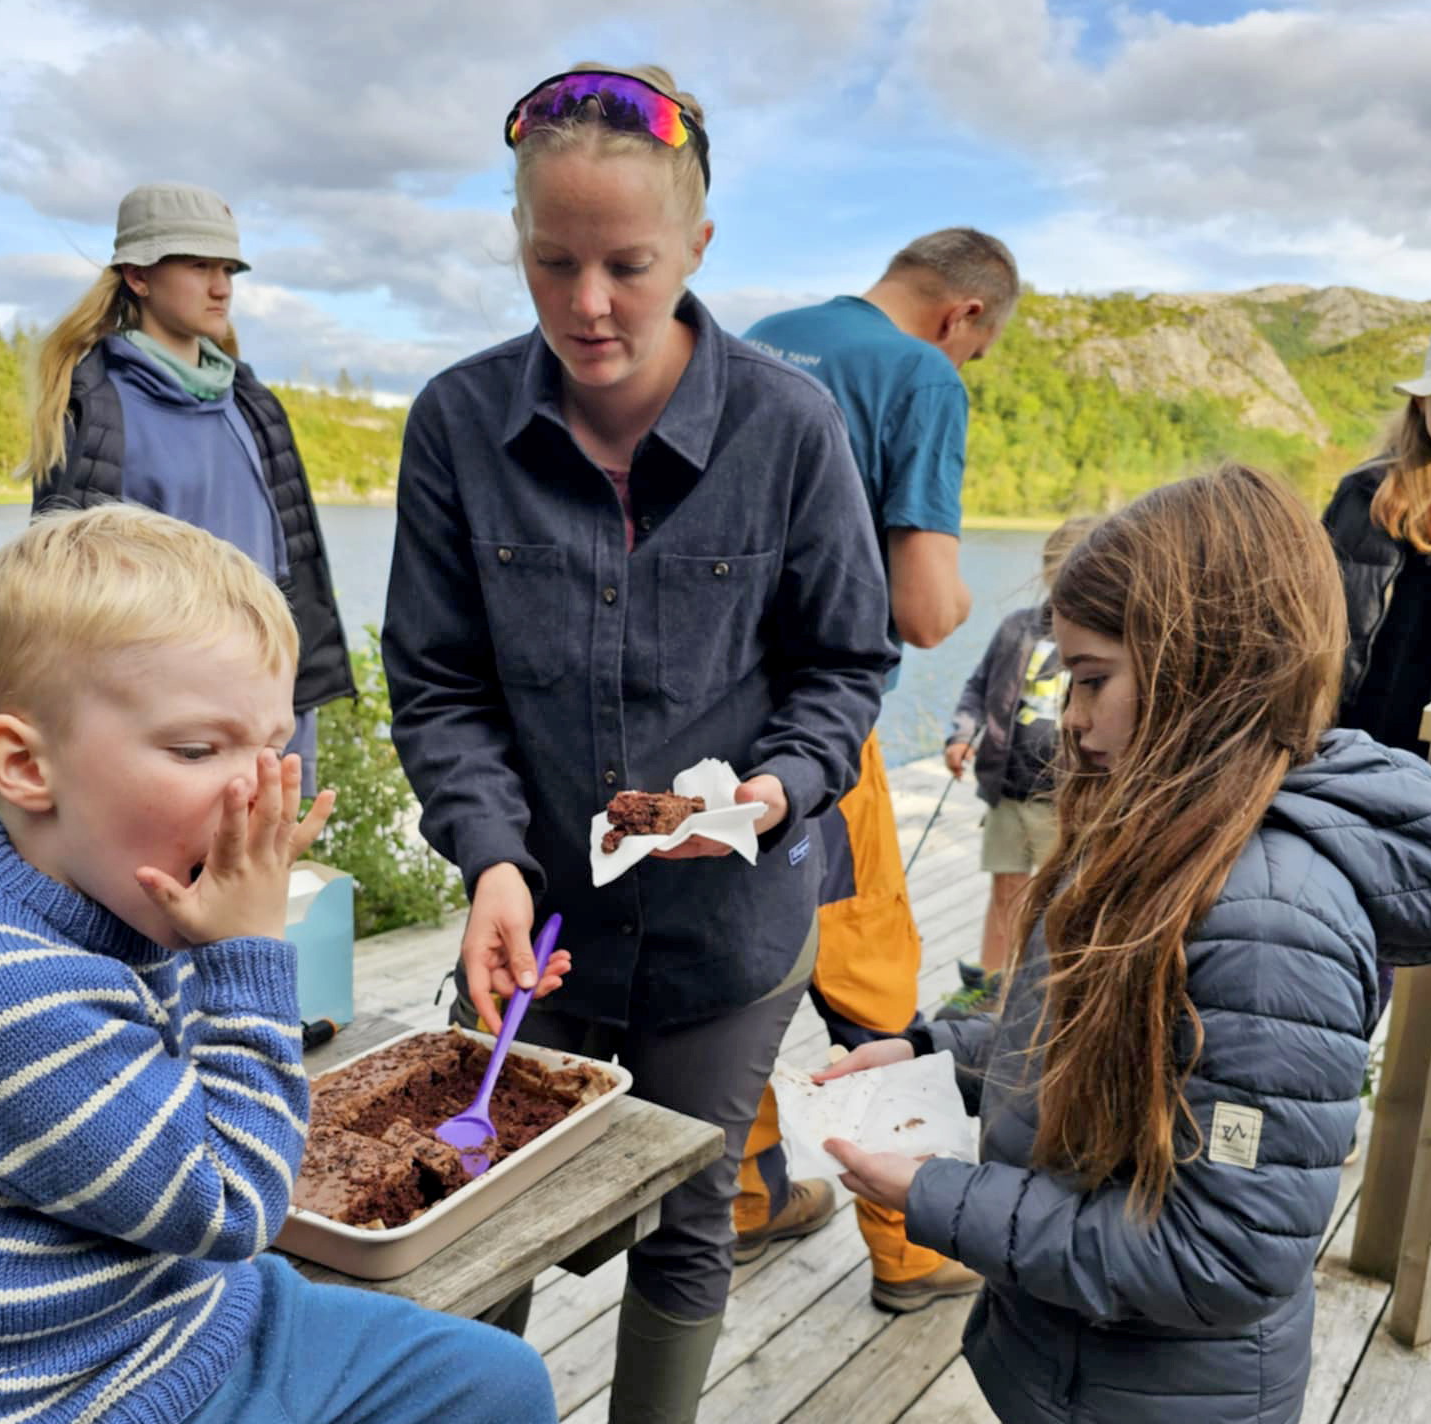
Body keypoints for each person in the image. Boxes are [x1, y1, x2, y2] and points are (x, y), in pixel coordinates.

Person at [381, 63, 894, 1423]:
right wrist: (488, 860)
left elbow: (847, 665)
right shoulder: (454, 425)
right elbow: (437, 685)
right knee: (474, 1203)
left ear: (700, 247)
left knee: (685, 1212)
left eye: (629, 263)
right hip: (535, 916)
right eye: (554, 262)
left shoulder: (791, 423)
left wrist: (774, 794)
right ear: (519, 243)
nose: (590, 304)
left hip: (734, 926)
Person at [816, 464, 1431, 1424]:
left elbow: (1224, 1256)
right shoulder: (1155, 829)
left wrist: (940, 1197)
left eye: (1091, 679)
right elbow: (1104, 1038)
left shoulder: (1272, 922)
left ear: (1205, 666)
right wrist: (942, 1057)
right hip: (1071, 1370)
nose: (1069, 716)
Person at [0, 504, 557, 1424]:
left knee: (498, 1380)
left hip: (185, 1307)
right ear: (26, 766)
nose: (257, 788)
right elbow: (230, 1205)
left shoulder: (122, 908)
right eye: (196, 749)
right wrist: (247, 956)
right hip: (77, 1388)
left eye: (272, 746)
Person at [731, 229, 1018, 1311]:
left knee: (738, 957)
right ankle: (912, 1249)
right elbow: (926, 606)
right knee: (871, 979)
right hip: (818, 728)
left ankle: (746, 1199)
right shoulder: (921, 375)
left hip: (706, 736)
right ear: (964, 318)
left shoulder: (760, 339)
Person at [24, 181, 353, 795]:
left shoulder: (253, 407)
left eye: (227, 268)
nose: (221, 286)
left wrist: (293, 755)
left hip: (263, 734)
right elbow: (65, 615)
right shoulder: (93, 411)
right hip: (158, 755)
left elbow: (289, 589)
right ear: (138, 276)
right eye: (199, 265)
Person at [1322, 318, 1431, 1017]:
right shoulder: (1363, 495)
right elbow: (1307, 617)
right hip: (1343, 744)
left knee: (1404, 924)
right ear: (1420, 404)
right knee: (1333, 908)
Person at [944, 516, 1097, 990]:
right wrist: (961, 735)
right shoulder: (1017, 629)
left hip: (1065, 800)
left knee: (1060, 900)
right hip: (1008, 790)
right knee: (1006, 890)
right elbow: (977, 688)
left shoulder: (1104, 641)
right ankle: (991, 988)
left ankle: (1047, 994)